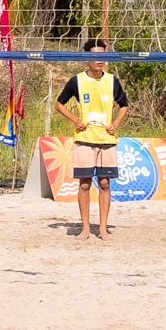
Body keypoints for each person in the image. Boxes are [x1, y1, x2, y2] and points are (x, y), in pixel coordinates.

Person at [56, 40, 129, 240]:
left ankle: (103, 229)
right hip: (85, 138)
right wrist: (75, 120)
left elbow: (124, 105)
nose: (100, 60)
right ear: (87, 57)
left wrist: (116, 123)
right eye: (95, 55)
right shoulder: (77, 81)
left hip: (107, 138)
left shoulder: (112, 81)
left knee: (105, 183)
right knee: (85, 184)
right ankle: (86, 228)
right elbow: (58, 104)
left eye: (103, 55)